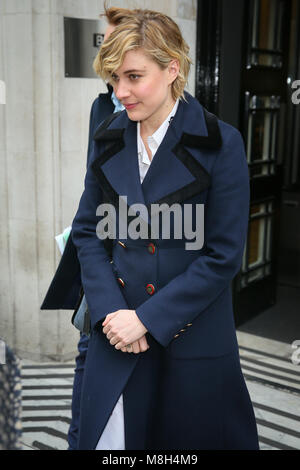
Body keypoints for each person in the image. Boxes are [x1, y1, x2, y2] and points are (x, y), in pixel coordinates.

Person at [71, 8, 259, 450]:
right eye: (115, 78)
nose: (121, 92)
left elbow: (223, 256)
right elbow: (87, 232)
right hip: (116, 333)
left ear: (172, 68)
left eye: (134, 77)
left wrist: (147, 320)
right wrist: (112, 313)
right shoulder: (107, 136)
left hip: (190, 338)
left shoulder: (221, 143)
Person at [40, 6, 139, 450]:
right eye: (107, 41)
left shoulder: (176, 118)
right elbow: (93, 186)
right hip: (97, 262)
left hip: (140, 268)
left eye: (118, 42)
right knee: (87, 363)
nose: (110, 51)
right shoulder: (102, 105)